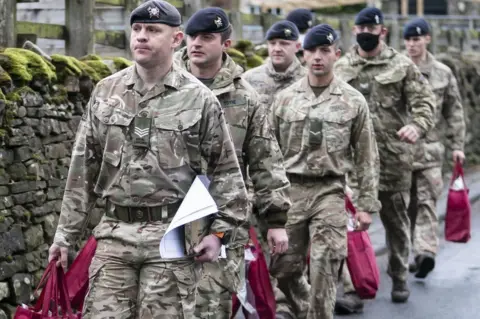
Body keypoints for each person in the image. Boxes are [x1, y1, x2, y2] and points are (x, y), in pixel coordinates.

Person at [47, 1, 249, 318]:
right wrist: (64, 237)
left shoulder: (199, 98)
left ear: (176, 39)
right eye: (137, 29)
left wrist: (219, 233)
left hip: (172, 238)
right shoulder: (106, 92)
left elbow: (226, 175)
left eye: (153, 30)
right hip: (114, 236)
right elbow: (82, 172)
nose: (142, 36)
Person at [174, 7, 292, 318]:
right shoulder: (165, 85)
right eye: (192, 36)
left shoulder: (246, 98)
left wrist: (276, 221)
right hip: (165, 216)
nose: (197, 43)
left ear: (226, 44)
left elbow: (265, 160)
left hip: (222, 218)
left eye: (207, 37)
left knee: (212, 307)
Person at [269, 24, 380, 319]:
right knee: (284, 267)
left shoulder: (353, 100)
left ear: (336, 55)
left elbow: (366, 154)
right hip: (290, 191)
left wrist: (366, 205)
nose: (318, 57)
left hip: (330, 191)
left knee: (325, 264)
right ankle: (307, 308)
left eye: (325, 51)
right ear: (303, 55)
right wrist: (265, 200)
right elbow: (268, 154)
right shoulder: (285, 99)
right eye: (312, 51)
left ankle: (320, 314)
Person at [334, 7, 435, 307]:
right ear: (354, 31)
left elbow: (424, 101)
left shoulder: (401, 65)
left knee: (396, 220)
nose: (366, 33)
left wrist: (417, 126)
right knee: (350, 223)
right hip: (352, 162)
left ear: (382, 31)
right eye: (360, 29)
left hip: (393, 158)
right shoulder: (340, 67)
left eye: (371, 28)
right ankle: (354, 288)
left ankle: (399, 274)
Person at [403, 18, 466, 278]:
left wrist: (457, 145)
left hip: (430, 151)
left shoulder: (442, 72)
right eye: (408, 40)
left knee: (428, 202)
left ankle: (425, 251)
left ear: (427, 39)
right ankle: (412, 251)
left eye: (417, 39)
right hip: (400, 152)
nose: (412, 45)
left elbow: (454, 110)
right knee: (406, 206)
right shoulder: (397, 70)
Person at [243, 20, 306, 106]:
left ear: (297, 47)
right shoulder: (249, 78)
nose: (277, 49)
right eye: (272, 43)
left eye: (284, 44)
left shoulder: (309, 80)